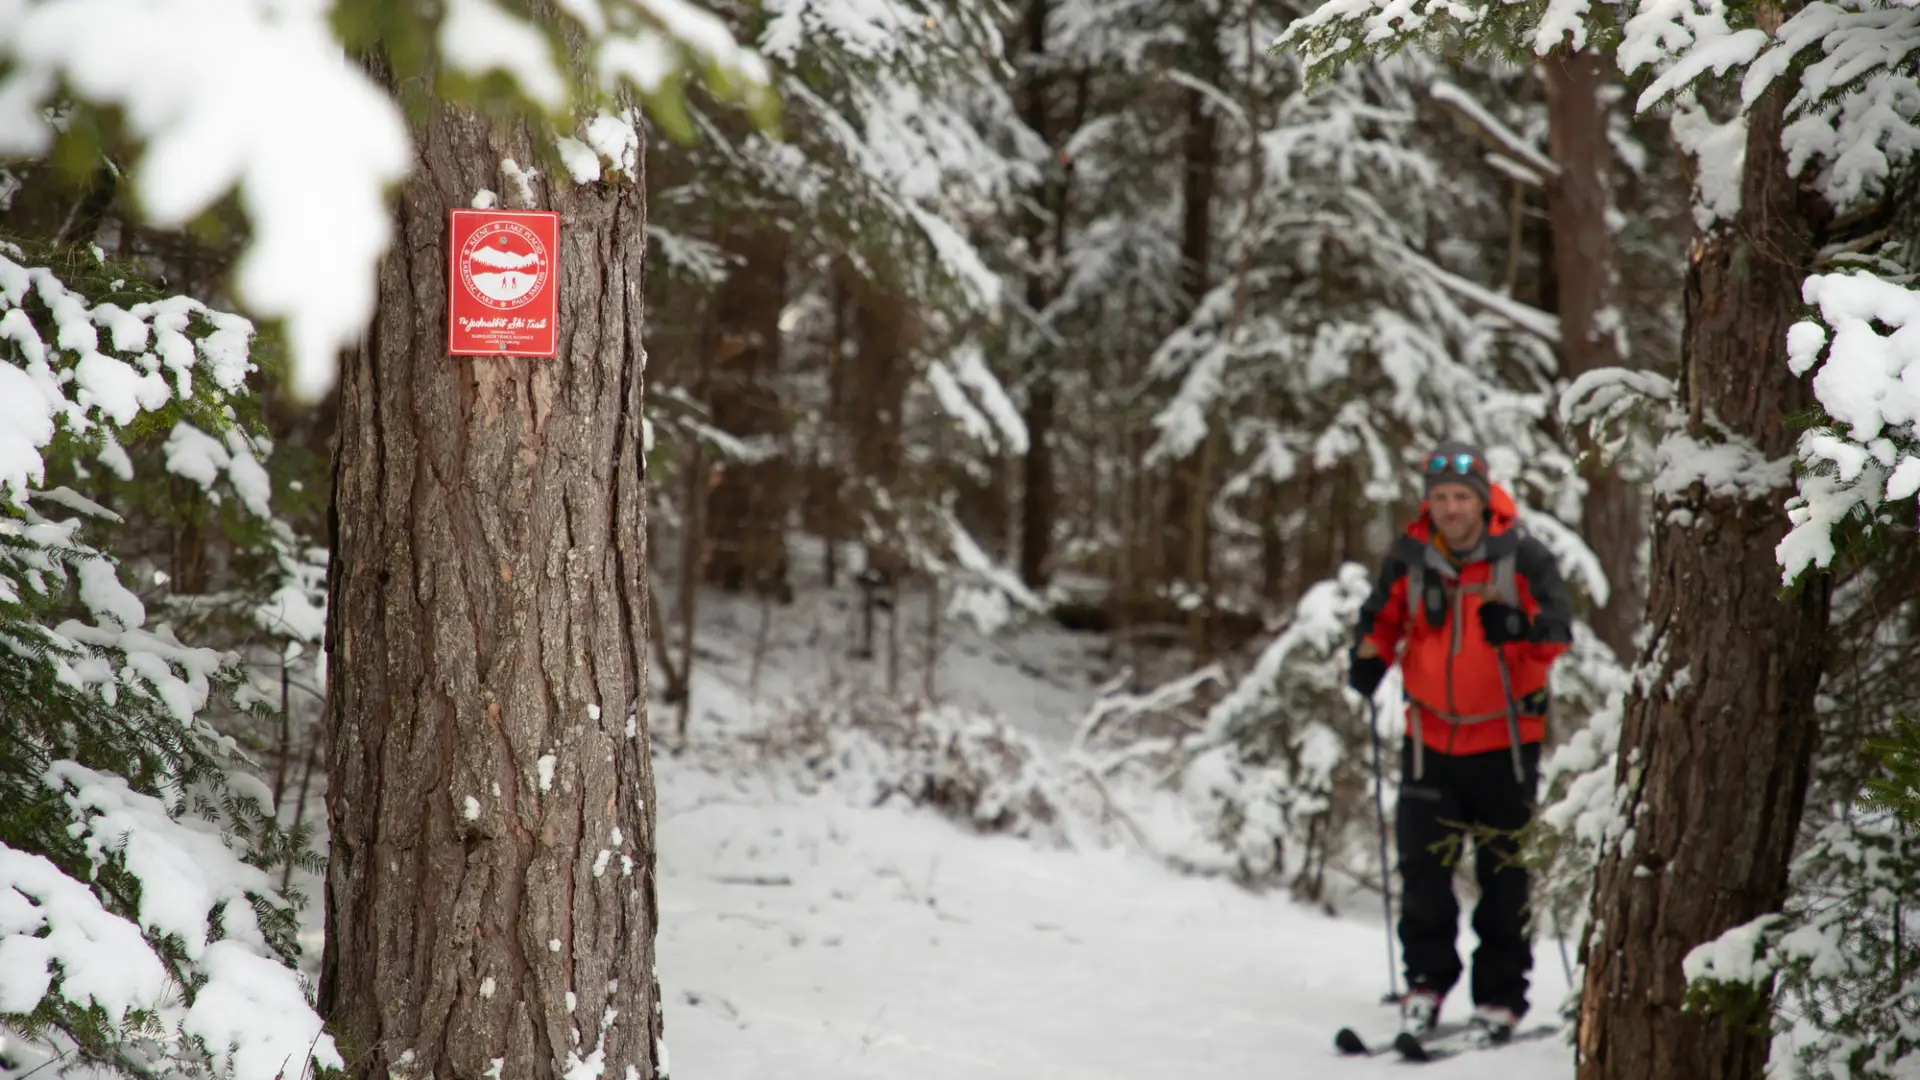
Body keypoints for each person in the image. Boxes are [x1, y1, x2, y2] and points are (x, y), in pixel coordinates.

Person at [1346, 439, 1573, 1045]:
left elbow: (1557, 630)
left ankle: (1500, 997)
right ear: (1430, 501)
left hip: (1505, 740)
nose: (1451, 508)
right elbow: (1380, 621)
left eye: (1461, 497)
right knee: (1423, 872)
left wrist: (1518, 627)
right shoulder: (1410, 557)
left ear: (1481, 498)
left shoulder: (1523, 556)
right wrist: (1367, 659)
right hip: (1428, 739)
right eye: (1440, 497)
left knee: (1503, 876)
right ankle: (1425, 983)